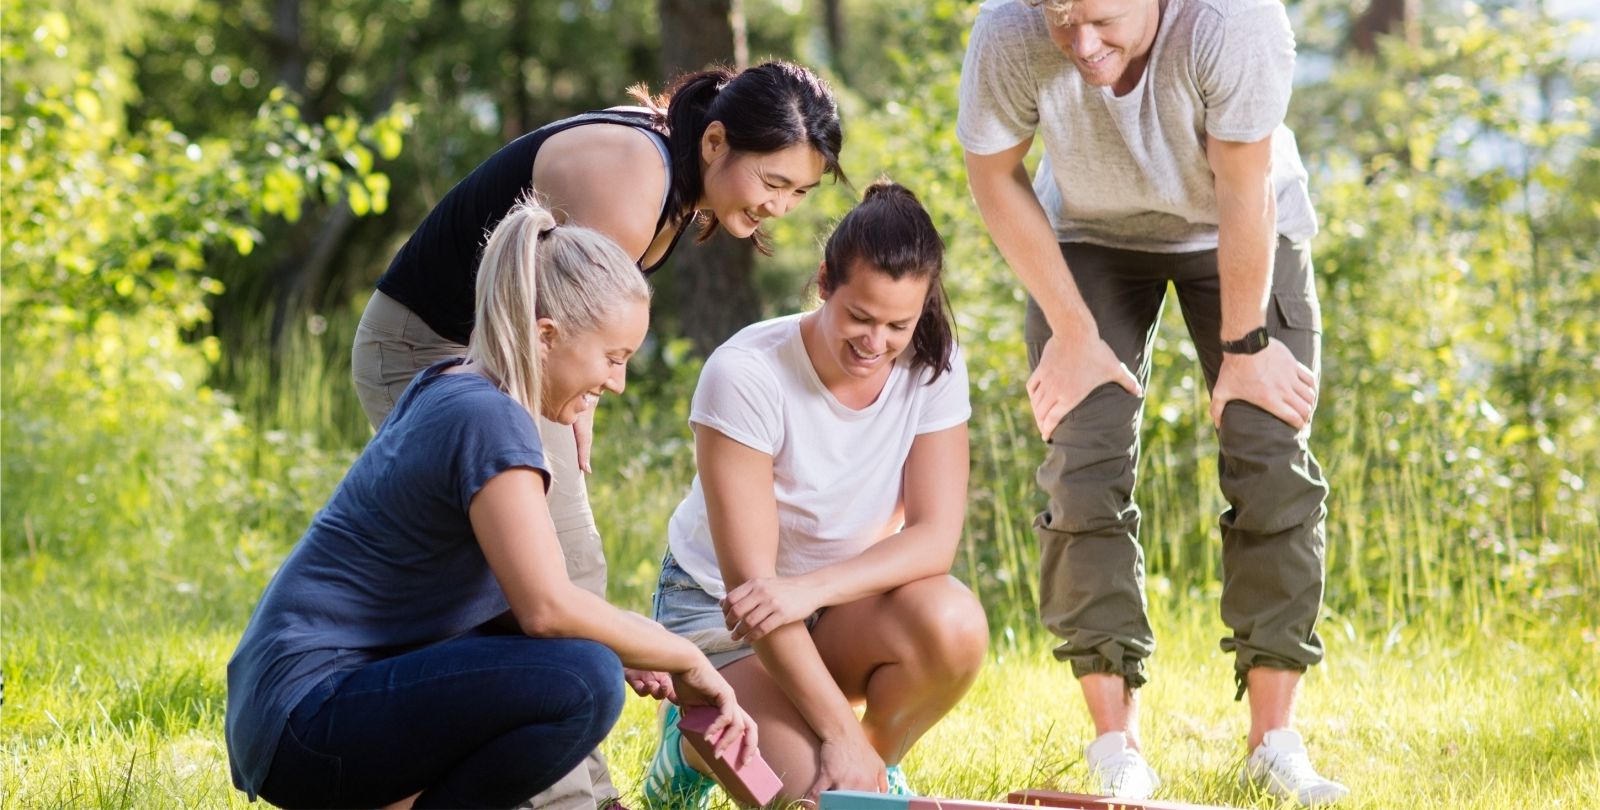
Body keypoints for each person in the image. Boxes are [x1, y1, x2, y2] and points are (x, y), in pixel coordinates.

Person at [350, 60, 843, 807]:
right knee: (564, 569)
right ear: (716, 142)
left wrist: (582, 410)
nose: (781, 207)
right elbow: (571, 332)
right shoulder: (633, 176)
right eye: (773, 183)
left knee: (539, 569)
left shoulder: (674, 178)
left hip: (515, 350)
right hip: (426, 348)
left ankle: (539, 778)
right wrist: (571, 413)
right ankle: (573, 798)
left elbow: (578, 329)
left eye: (798, 193)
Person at [226, 200, 757, 810]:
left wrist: (628, 641)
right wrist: (686, 657)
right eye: (614, 358)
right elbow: (546, 609)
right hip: (308, 718)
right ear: (546, 335)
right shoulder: (489, 419)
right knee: (584, 683)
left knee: (583, 662)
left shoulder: (459, 388)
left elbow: (510, 605)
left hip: (287, 716)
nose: (617, 383)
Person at [958, 0, 1347, 805]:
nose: (1083, 46)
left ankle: (1274, 743)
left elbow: (1244, 184)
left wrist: (1244, 353)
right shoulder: (1009, 30)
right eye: (1062, 24)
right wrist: (1072, 330)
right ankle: (1115, 748)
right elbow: (994, 175)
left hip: (1237, 225)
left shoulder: (1231, 22)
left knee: (1269, 450)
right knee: (1081, 465)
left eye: (1102, 20)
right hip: (1092, 240)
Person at [640, 181, 989, 808]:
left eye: (897, 325)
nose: (876, 343)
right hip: (724, 618)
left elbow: (935, 538)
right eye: (859, 317)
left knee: (954, 624)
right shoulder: (746, 374)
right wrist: (834, 729)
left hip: (832, 603)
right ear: (825, 280)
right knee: (806, 799)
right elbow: (755, 595)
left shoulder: (933, 361)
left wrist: (812, 591)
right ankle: (688, 746)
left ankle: (871, 770)